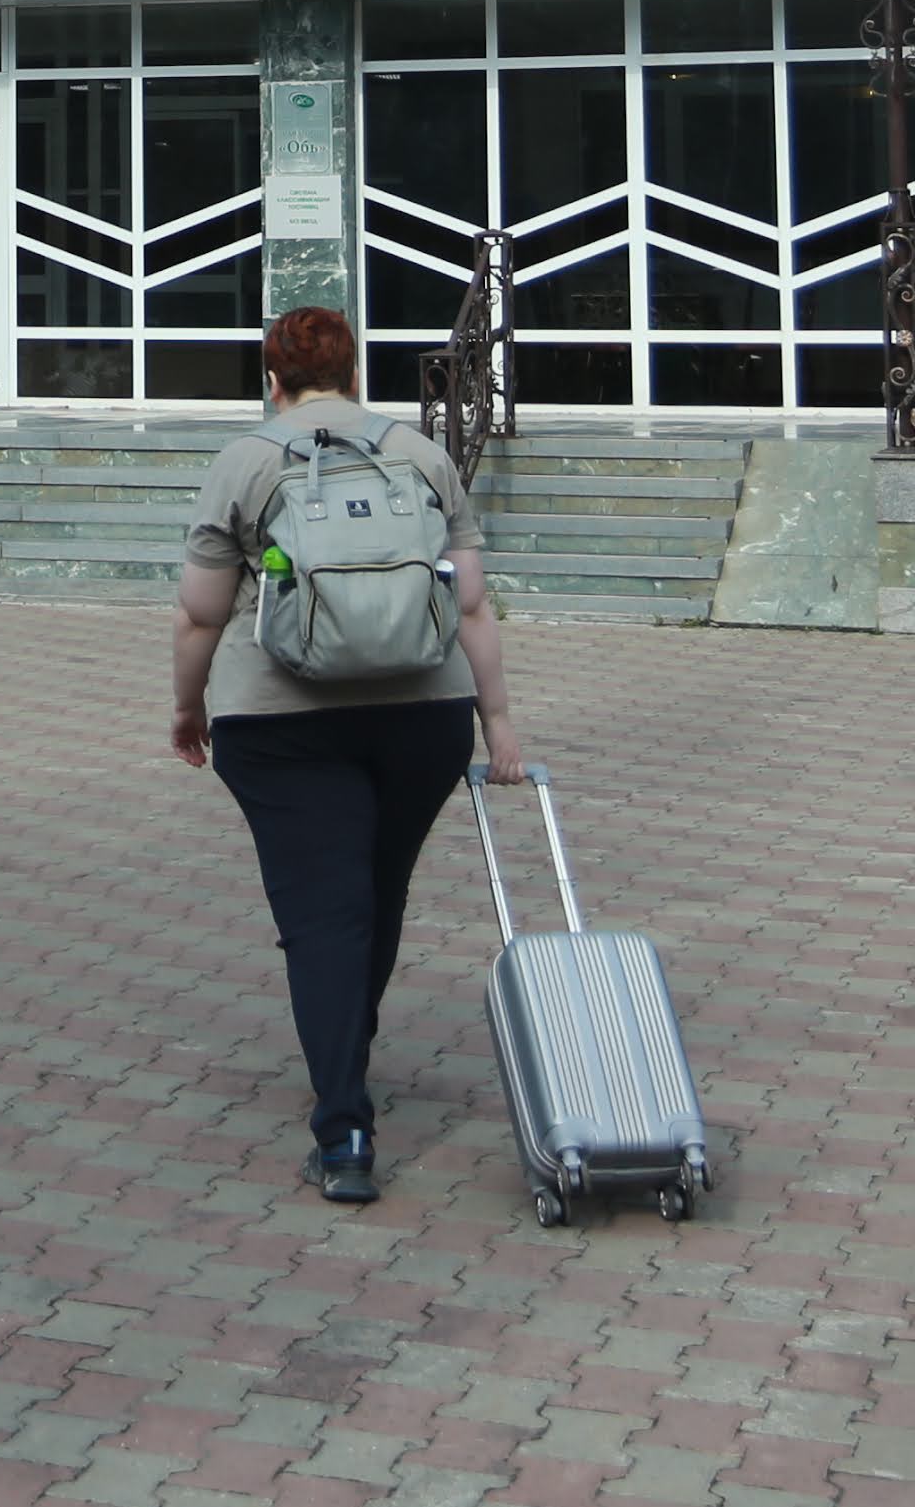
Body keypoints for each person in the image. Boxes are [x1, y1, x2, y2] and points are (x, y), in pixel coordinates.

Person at [171, 304, 524, 1205]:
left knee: (324, 915)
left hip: (280, 720)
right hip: (424, 713)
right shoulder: (422, 456)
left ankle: (344, 1129)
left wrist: (187, 707)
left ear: (272, 379)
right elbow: (471, 604)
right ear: (356, 374)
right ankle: (346, 1045)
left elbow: (202, 614)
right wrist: (499, 723)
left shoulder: (245, 461)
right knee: (376, 890)